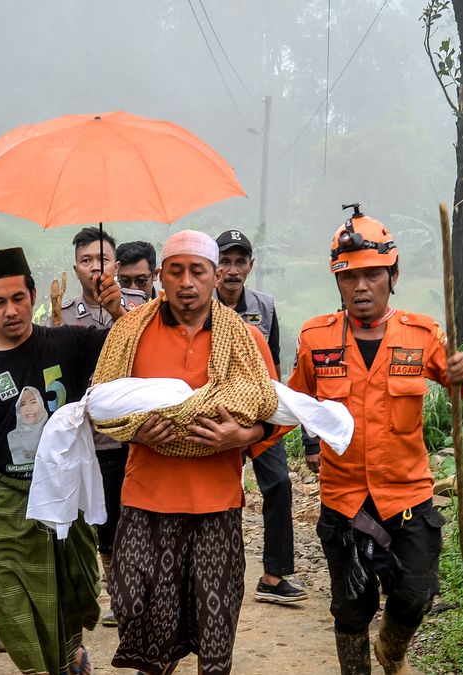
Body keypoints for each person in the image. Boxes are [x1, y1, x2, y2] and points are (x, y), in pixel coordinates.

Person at [286, 206, 463, 674]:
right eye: (348, 276)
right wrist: (246, 435)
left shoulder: (421, 334)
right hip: (346, 501)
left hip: (408, 495)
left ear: (392, 276)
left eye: (373, 274)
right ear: (337, 281)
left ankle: (392, 651)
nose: (360, 287)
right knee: (351, 608)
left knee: (416, 593)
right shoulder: (316, 339)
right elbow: (290, 404)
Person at [105, 229, 284, 674]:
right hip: (146, 497)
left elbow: (275, 410)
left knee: (214, 617)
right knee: (135, 605)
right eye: (176, 271)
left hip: (215, 502)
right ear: (162, 275)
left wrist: (243, 437)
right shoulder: (131, 332)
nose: (186, 282)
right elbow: (104, 403)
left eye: (197, 271)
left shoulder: (244, 339)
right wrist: (135, 431)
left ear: (214, 274)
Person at [0, 247, 126, 675]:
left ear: (34, 294)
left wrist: (115, 309)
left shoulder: (69, 344)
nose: (11, 311)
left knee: (68, 586)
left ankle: (69, 657)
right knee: (8, 597)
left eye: (18, 298)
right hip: (5, 498)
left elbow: (128, 348)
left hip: (63, 493)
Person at [44, 226, 147, 628]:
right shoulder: (63, 312)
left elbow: (151, 347)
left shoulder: (141, 304)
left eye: (102, 260)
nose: (95, 268)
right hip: (92, 435)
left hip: (136, 429)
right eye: (86, 261)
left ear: (116, 266)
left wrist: (120, 309)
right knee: (101, 517)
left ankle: (136, 586)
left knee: (135, 513)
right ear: (75, 268)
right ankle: (113, 588)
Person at [214, 228, 306, 605]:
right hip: (219, 415)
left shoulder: (264, 307)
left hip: (262, 414)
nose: (232, 270)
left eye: (240, 261)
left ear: (251, 266)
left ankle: (272, 577)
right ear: (213, 267)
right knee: (222, 493)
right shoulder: (202, 305)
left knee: (279, 484)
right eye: (225, 261)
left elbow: (276, 365)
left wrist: (279, 414)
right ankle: (219, 572)